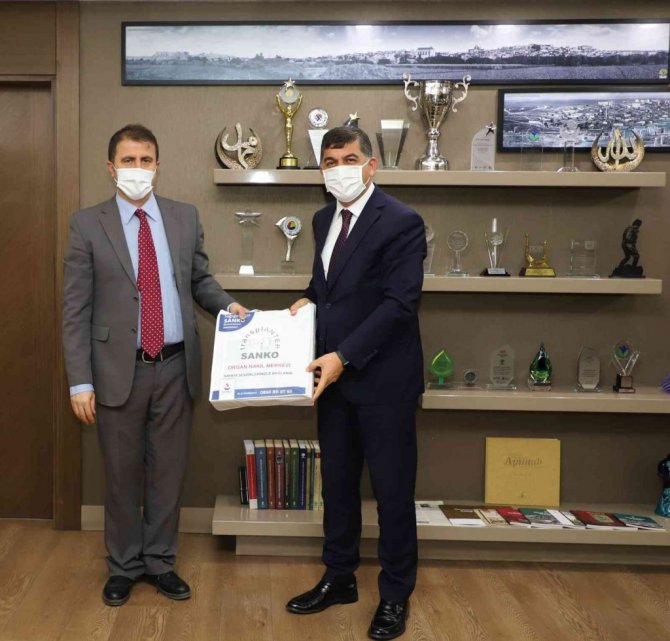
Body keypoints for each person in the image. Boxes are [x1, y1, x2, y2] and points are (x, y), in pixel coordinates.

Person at [63, 124, 248, 607]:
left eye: (146, 160)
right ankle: (124, 566)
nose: (138, 169)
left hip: (175, 367)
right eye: (128, 161)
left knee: (168, 473)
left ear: (157, 166)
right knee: (122, 475)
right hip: (115, 371)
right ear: (111, 168)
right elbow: (75, 310)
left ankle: (161, 563)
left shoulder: (184, 217)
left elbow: (200, 281)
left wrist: (230, 306)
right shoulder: (87, 224)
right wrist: (80, 381)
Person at [286, 126, 426, 641]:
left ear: (371, 165)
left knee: (392, 493)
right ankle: (340, 577)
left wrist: (344, 356)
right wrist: (306, 301)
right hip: (332, 381)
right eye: (329, 161)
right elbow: (328, 287)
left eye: (349, 159)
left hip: (383, 380)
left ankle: (394, 595)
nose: (339, 169)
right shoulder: (323, 219)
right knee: (339, 487)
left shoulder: (403, 222)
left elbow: (399, 304)